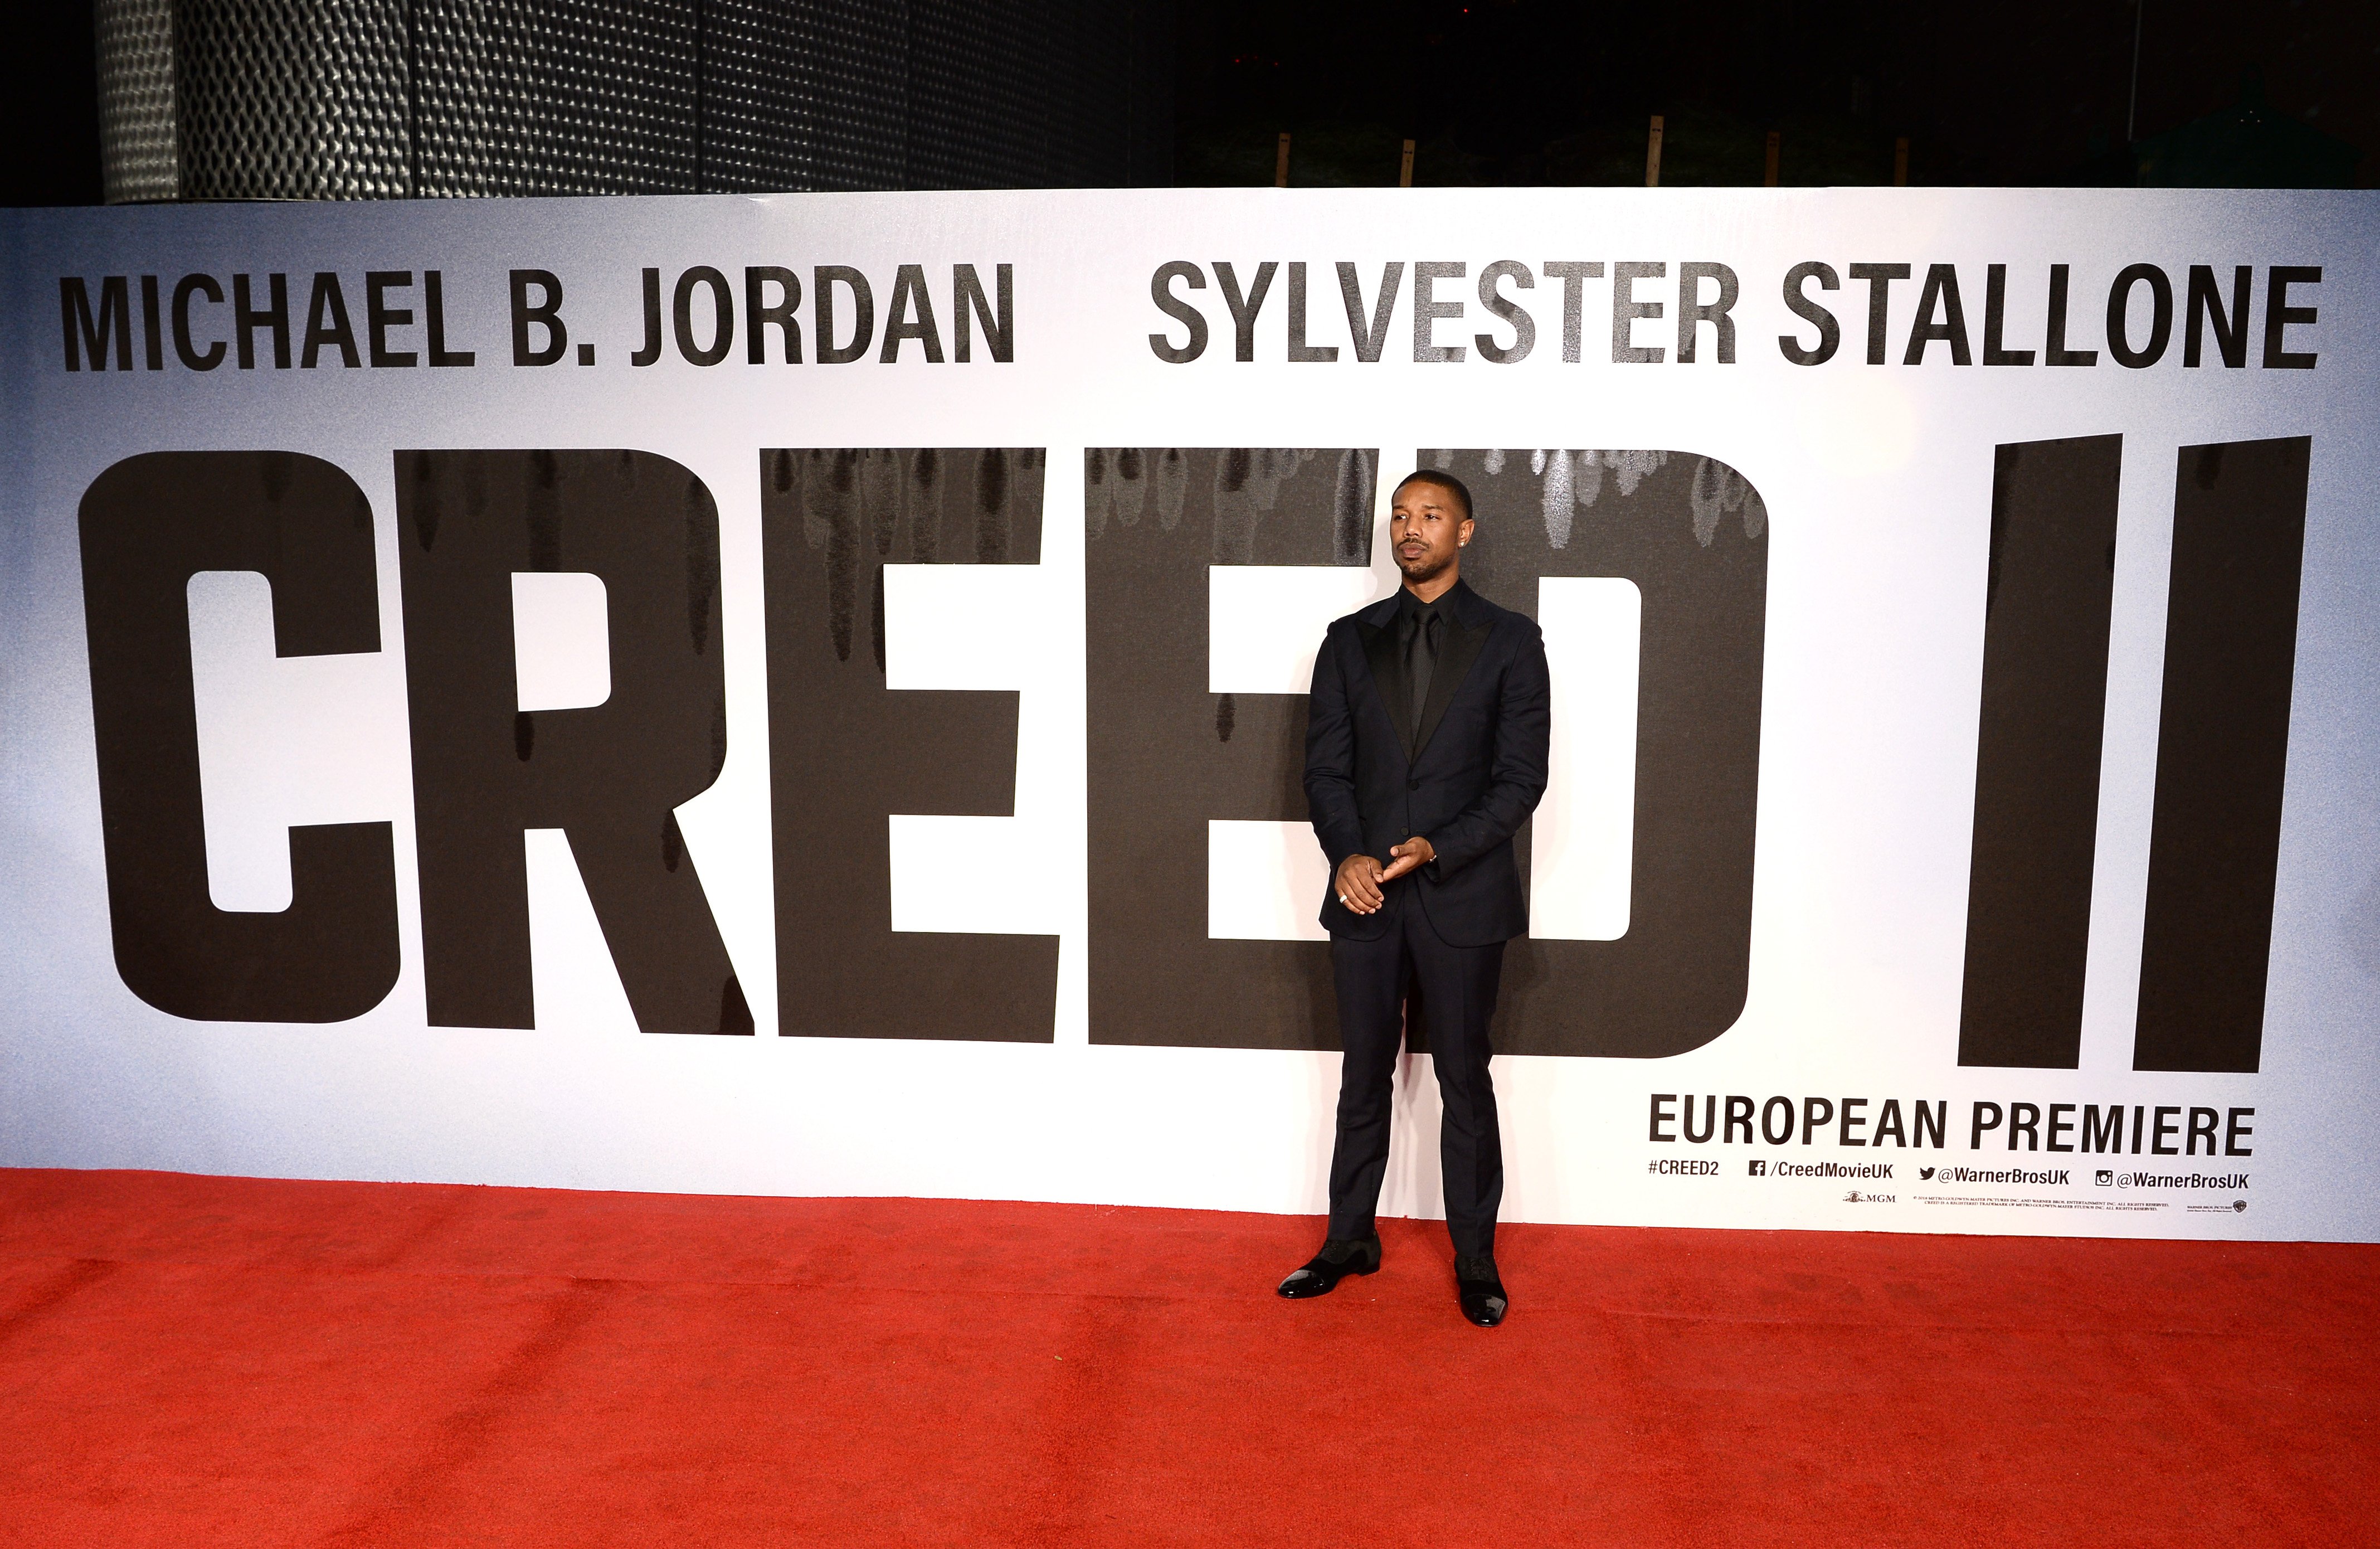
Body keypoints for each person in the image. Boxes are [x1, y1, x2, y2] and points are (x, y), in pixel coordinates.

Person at [1278, 468, 1550, 1327]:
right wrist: (1347, 855)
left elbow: (1520, 781)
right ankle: (1348, 1239)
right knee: (1363, 1078)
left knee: (1466, 1080)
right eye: (1400, 516)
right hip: (1366, 901)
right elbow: (1324, 769)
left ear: (1463, 534)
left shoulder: (1511, 642)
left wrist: (1442, 846)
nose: (1411, 529)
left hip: (1461, 894)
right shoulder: (1347, 640)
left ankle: (1476, 1259)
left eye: (1431, 516)